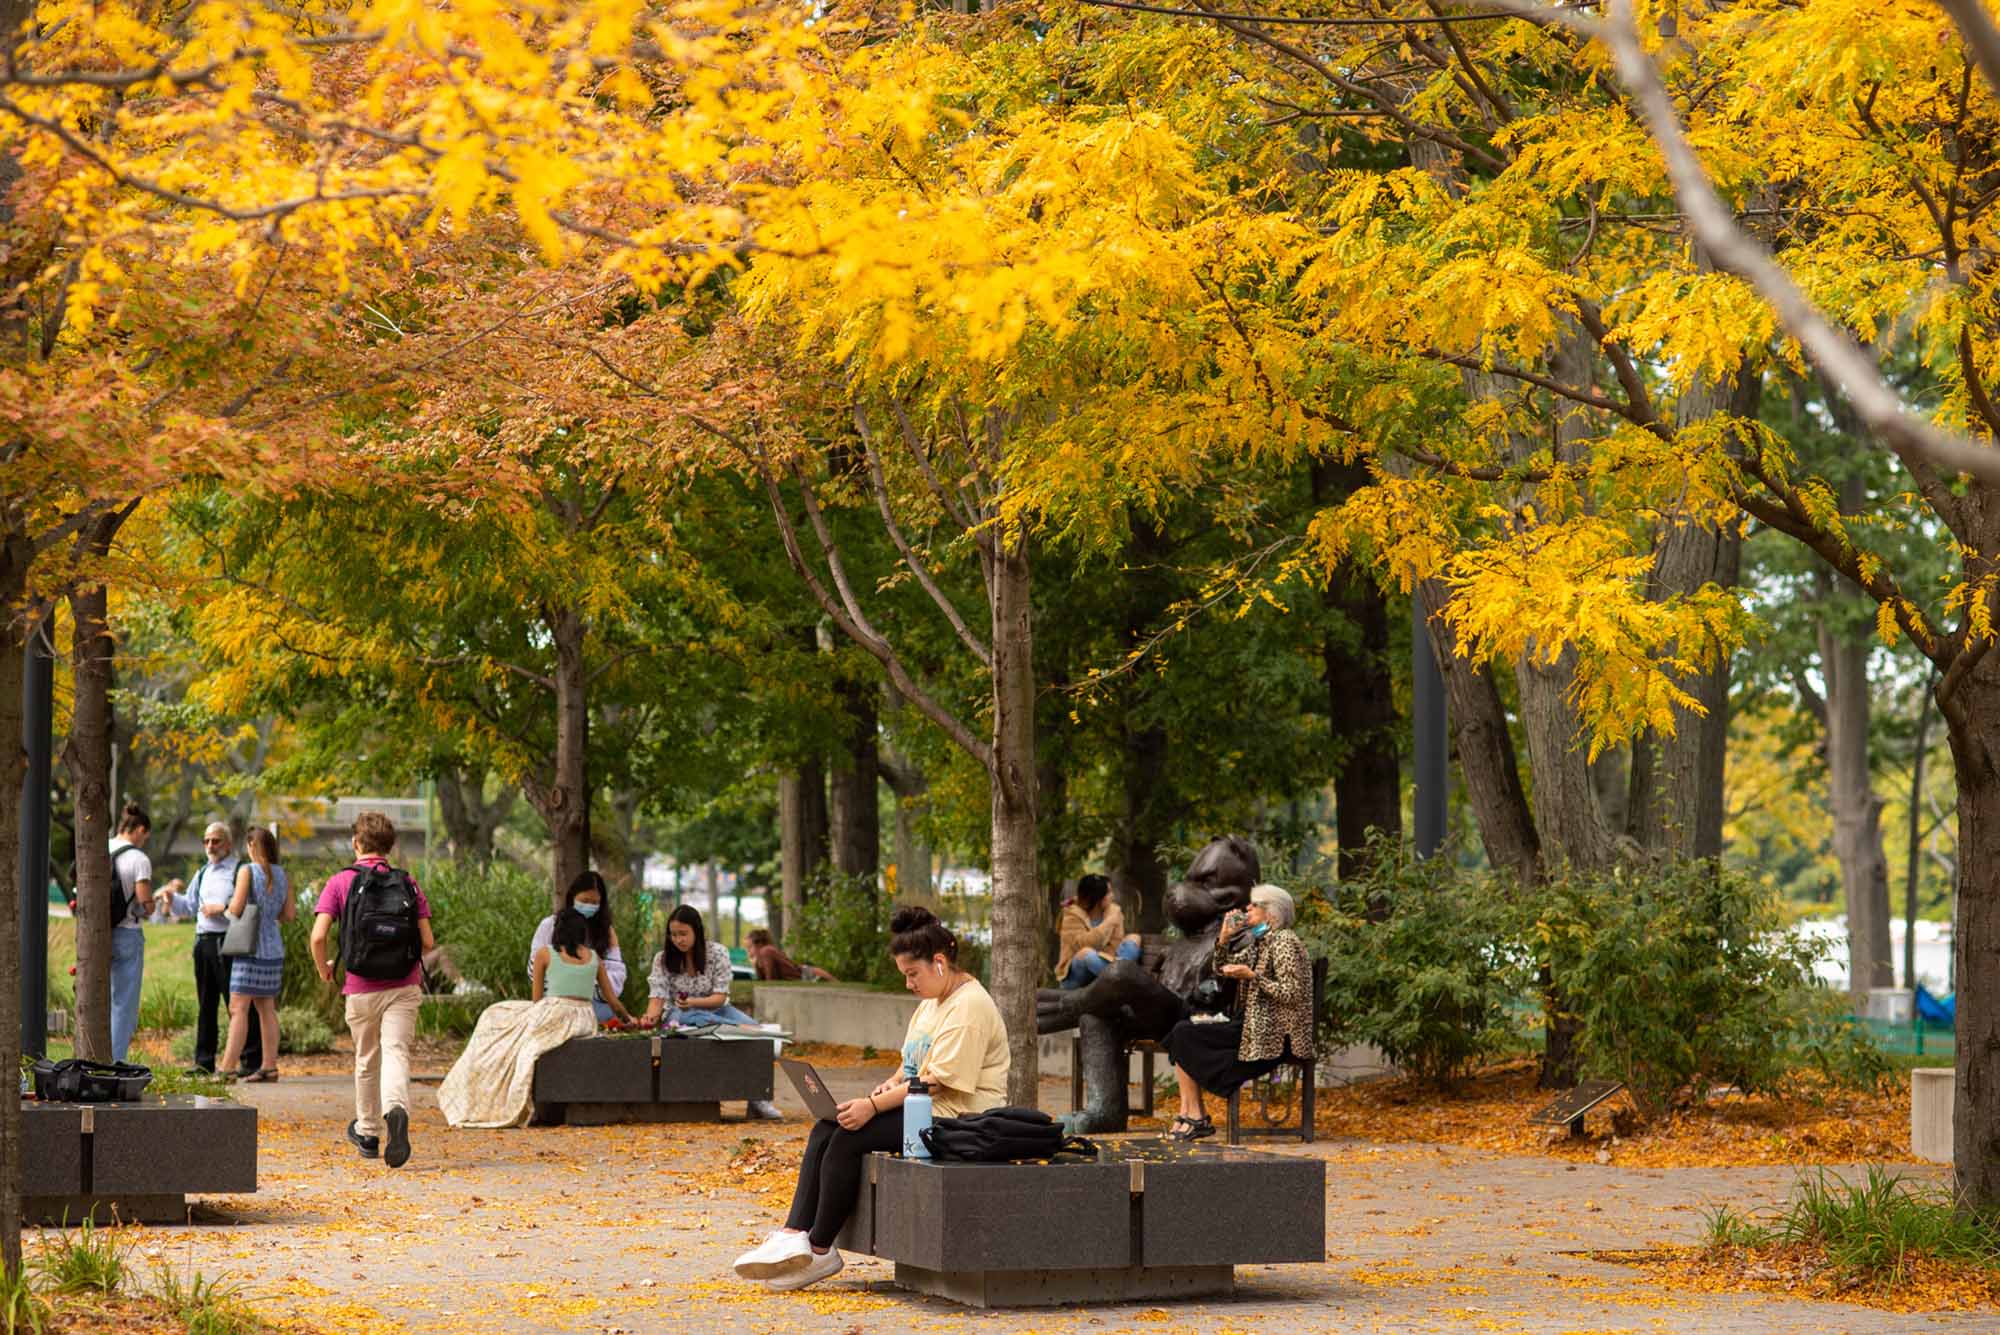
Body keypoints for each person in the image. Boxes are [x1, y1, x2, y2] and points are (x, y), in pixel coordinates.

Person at [733, 906, 1008, 1292]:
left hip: (957, 1118)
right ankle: (793, 1232)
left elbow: (935, 1083)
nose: (909, 984)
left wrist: (874, 1106)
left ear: (940, 963)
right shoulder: (931, 1003)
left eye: (913, 974)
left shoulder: (970, 1007)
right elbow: (909, 1067)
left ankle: (820, 1248)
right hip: (922, 1108)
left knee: (850, 1137)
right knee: (828, 1125)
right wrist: (882, 1088)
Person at [310, 811, 435, 1169]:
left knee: (367, 1060)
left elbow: (318, 936)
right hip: (403, 985)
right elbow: (428, 942)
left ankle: (367, 1133)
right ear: (390, 847)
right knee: (396, 1052)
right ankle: (395, 1108)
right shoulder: (407, 884)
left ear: (356, 843)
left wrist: (326, 970)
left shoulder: (340, 882)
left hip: (360, 986)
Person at [440, 907, 636, 1127]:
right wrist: (629, 1019)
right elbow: (612, 1000)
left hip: (552, 1011)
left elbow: (537, 1000)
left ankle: (481, 1093)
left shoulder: (545, 953)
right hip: (584, 1018)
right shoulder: (594, 958)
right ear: (583, 933)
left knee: (495, 1017)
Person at [1163, 884, 1313, 1142]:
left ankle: (1194, 1117)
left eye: (1254, 905)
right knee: (1182, 1031)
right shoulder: (1263, 940)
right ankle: (1191, 1113)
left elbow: (1291, 993)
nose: (1247, 909)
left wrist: (1252, 976)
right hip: (1252, 1026)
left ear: (1271, 913)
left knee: (1183, 1034)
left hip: (1275, 1035)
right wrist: (1223, 938)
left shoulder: (1285, 942)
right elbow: (1220, 969)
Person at [642, 905, 782, 1120]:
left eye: (683, 934)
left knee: (754, 1033)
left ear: (697, 931)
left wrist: (693, 1001)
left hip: (717, 1009)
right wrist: (650, 1017)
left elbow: (719, 997)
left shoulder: (717, 953)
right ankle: (745, 1031)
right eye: (673, 935)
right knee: (693, 1018)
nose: (678, 940)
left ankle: (759, 1099)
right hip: (678, 1015)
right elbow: (657, 997)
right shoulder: (662, 959)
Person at [163, 822, 262, 1076]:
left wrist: (222, 907)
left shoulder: (241, 870)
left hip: (230, 942)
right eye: (206, 841)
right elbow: (189, 906)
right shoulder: (203, 872)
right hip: (204, 941)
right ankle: (203, 1061)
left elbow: (247, 905)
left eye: (216, 841)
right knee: (206, 1004)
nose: (210, 846)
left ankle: (249, 1061)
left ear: (228, 844)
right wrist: (173, 899)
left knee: (237, 1005)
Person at [219, 827, 295, 1083]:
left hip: (249, 948)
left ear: (252, 845)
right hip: (273, 948)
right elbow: (289, 915)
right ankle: (269, 1067)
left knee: (238, 1008)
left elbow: (237, 908)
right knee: (266, 1008)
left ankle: (227, 1068)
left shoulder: (247, 871)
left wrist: (223, 907)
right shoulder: (283, 874)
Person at [526, 871, 628, 1022]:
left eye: (594, 903)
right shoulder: (593, 959)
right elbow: (614, 1001)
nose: (589, 906)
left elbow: (616, 983)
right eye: (585, 900)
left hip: (574, 1006)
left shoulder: (605, 933)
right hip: (576, 1007)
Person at [106, 804, 159, 1063]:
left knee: (99, 1000)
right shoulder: (139, 859)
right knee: (123, 1004)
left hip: (97, 935)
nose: (144, 841)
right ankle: (115, 1062)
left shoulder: (101, 847)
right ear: (139, 830)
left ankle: (92, 1057)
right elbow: (144, 901)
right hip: (127, 933)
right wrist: (155, 902)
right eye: (145, 836)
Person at [1055, 873, 1141, 989]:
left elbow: (1115, 945)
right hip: (1075, 977)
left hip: (1102, 969)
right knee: (1085, 953)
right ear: (1097, 897)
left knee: (1134, 938)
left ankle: (1119, 978)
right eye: (1109, 892)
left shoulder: (1113, 911)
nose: (1113, 896)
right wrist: (1108, 922)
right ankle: (1122, 979)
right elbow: (1083, 945)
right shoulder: (1071, 915)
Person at [745, 929, 837, 983]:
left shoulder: (766, 951)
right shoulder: (763, 955)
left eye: (750, 947)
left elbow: (771, 981)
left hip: (810, 975)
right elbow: (763, 982)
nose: (748, 951)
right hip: (806, 975)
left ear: (759, 944)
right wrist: (756, 965)